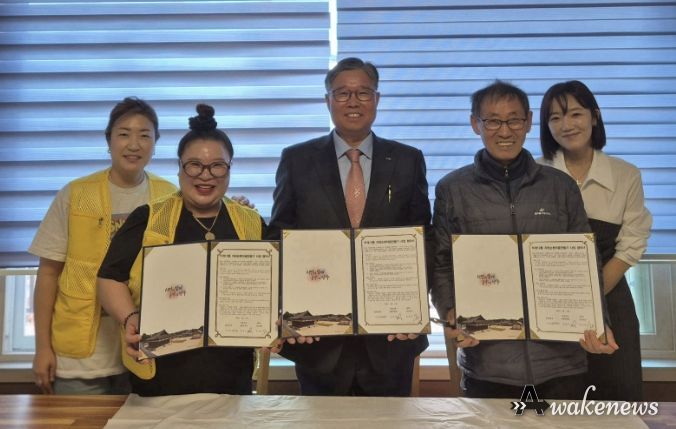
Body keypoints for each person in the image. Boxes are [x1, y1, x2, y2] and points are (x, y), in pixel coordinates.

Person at [430, 80, 618, 399]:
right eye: (493, 121)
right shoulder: (453, 189)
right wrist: (451, 312)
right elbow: (442, 264)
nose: (505, 131)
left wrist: (599, 322)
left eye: (514, 120)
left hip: (560, 363)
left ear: (529, 121)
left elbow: (585, 264)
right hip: (488, 363)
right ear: (475, 123)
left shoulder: (560, 186)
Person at [268, 57, 431, 396]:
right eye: (342, 93)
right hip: (318, 341)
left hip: (390, 339)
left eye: (363, 93)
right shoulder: (297, 159)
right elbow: (281, 238)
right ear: (327, 100)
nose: (353, 102)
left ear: (377, 99)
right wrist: (288, 308)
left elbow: (422, 240)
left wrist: (413, 310)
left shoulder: (407, 159)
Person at [96, 104, 267, 396]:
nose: (205, 175)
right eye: (194, 165)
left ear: (229, 169)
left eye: (217, 165)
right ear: (179, 168)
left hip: (232, 378)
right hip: (160, 378)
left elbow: (275, 284)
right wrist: (130, 317)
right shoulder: (149, 218)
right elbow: (109, 277)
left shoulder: (250, 221)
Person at [29, 97, 176, 395]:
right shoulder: (75, 194)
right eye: (123, 134)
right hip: (79, 358)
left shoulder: (169, 197)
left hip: (143, 351)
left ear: (155, 143)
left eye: (144, 135)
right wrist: (42, 348)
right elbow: (48, 274)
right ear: (109, 140)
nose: (133, 144)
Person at [539, 80, 652, 401]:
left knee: (616, 400)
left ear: (595, 116)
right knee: (558, 403)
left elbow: (631, 244)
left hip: (610, 297)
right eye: (555, 117)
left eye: (575, 114)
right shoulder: (535, 173)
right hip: (549, 305)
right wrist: (566, 305)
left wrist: (588, 301)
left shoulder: (626, 174)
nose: (566, 125)